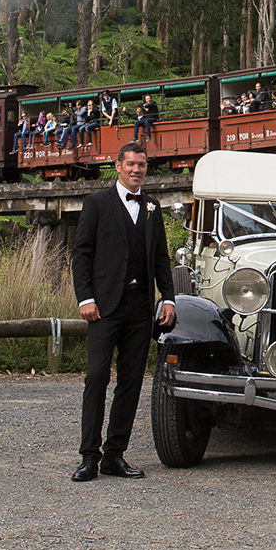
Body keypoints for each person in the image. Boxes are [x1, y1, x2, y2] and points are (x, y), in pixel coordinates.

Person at [70, 145, 177, 481]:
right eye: (130, 164)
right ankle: (89, 456)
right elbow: (82, 254)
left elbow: (161, 257)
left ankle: (114, 455)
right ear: (117, 166)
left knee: (131, 382)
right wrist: (85, 298)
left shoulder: (152, 207)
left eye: (142, 165)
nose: (136, 169)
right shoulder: (97, 203)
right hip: (103, 306)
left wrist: (169, 299)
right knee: (97, 378)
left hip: (140, 306)